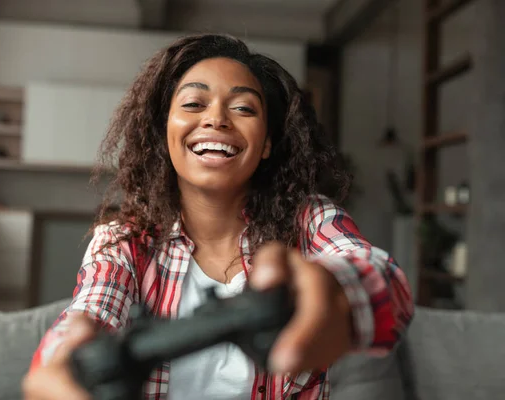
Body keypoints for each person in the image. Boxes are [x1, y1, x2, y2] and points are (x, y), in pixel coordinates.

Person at [23, 33, 413, 400]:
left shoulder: (309, 221)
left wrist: (339, 292)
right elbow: (93, 308)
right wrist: (63, 360)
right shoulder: (122, 242)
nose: (217, 119)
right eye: (194, 104)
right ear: (163, 134)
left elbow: (388, 285)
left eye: (243, 108)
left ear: (266, 145)